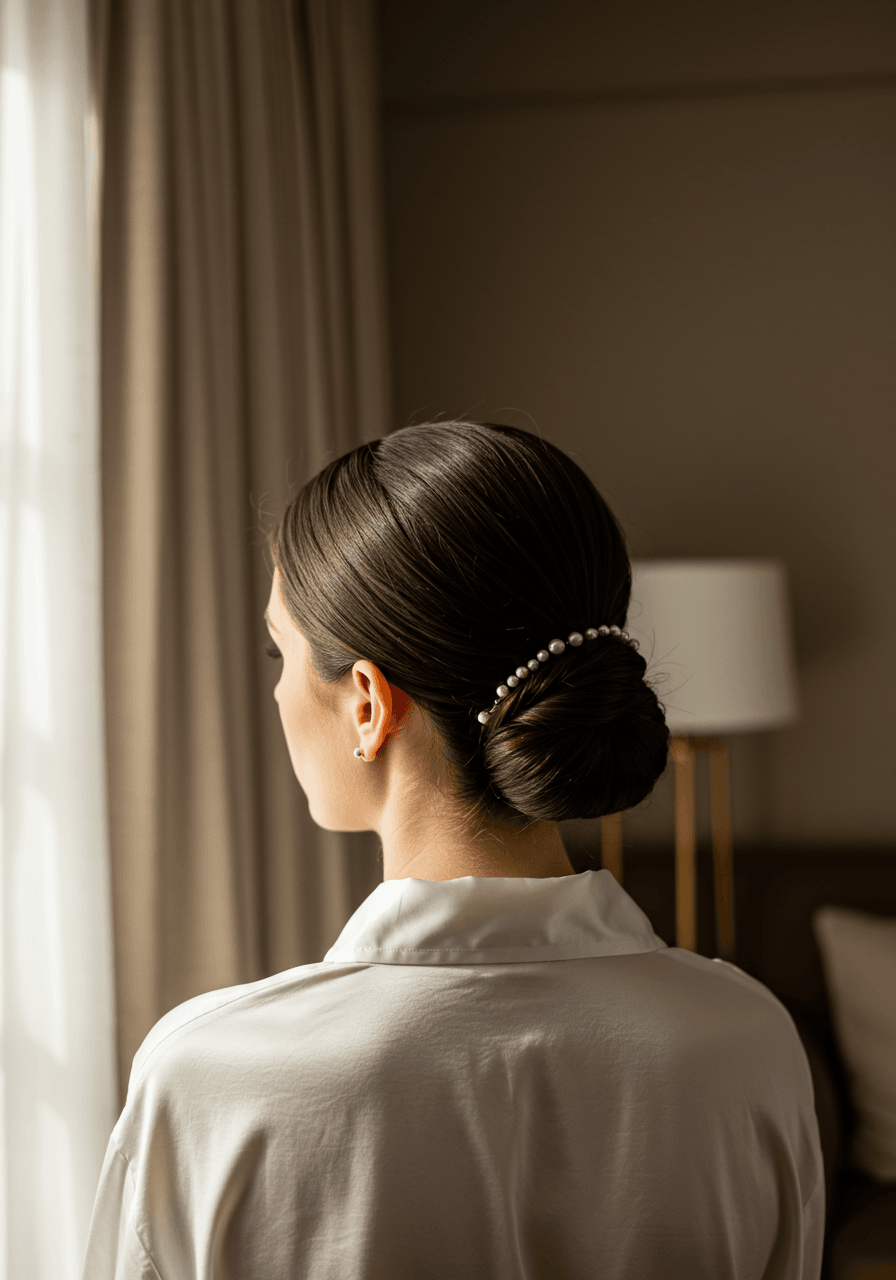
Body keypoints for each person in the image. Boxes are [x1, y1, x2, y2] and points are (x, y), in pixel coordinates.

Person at [82, 421, 824, 1278]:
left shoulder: (213, 1075)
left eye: (276, 651)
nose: (279, 690)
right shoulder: (747, 1041)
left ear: (367, 702)